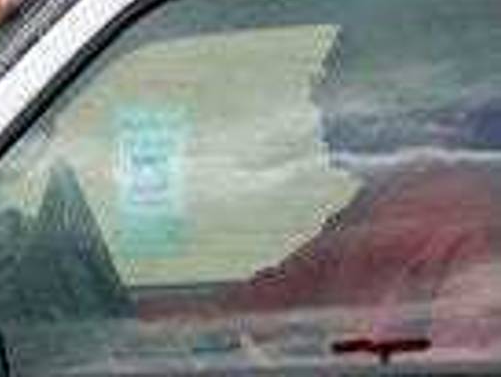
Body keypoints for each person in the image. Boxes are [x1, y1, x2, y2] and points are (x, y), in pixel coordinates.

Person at [146, 18, 501, 359]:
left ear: (412, 109)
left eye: (346, 93)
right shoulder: (361, 215)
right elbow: (250, 309)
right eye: (323, 93)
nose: (320, 110)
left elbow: (467, 357)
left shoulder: (469, 230)